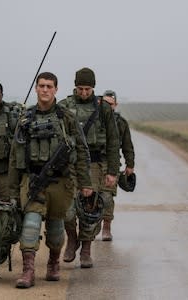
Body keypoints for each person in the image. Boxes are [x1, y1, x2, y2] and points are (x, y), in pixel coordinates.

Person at [8, 72, 93, 288]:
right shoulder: (25, 119)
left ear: (56, 89)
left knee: (55, 231)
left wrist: (85, 183)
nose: (45, 90)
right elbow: (14, 156)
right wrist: (11, 190)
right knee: (30, 225)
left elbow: (82, 151)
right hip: (33, 179)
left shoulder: (67, 118)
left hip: (60, 182)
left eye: (49, 86)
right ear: (36, 88)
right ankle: (28, 271)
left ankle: (53, 263)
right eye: (41, 86)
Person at [58, 67, 120, 268]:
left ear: (93, 88)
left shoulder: (103, 109)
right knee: (66, 208)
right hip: (69, 164)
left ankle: (85, 248)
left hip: (94, 164)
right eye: (80, 88)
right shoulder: (64, 106)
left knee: (89, 208)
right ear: (75, 87)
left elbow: (113, 141)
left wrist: (112, 171)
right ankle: (71, 238)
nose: (84, 93)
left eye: (88, 89)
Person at [100, 89, 135, 241]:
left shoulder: (120, 123)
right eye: (105, 103)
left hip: (111, 163)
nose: (108, 106)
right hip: (92, 162)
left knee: (107, 197)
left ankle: (106, 227)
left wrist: (130, 164)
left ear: (116, 105)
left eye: (111, 104)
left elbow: (127, 145)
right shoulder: (94, 120)